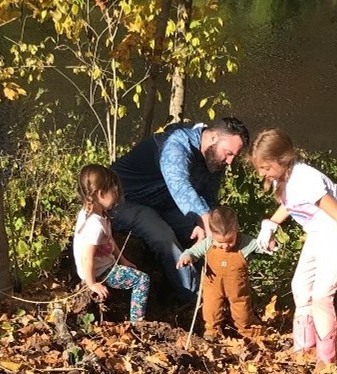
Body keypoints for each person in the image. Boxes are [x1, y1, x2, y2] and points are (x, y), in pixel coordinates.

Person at [248, 128, 337, 365]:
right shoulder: (281, 178)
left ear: (283, 160)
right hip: (319, 232)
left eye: (266, 168)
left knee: (321, 296)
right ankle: (304, 349)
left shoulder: (305, 180)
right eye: (259, 168)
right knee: (300, 287)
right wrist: (271, 224)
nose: (262, 173)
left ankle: (326, 361)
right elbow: (291, 205)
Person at [110, 117, 250, 304]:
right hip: (123, 201)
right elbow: (179, 185)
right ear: (214, 137)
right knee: (163, 237)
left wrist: (206, 223)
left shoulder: (215, 160)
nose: (230, 161)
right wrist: (203, 217)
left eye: (235, 156)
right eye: (229, 153)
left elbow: (209, 197)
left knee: (203, 234)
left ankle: (222, 293)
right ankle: (196, 298)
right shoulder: (175, 144)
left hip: (162, 204)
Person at [73, 164, 150, 323]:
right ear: (100, 194)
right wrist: (92, 283)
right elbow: (87, 257)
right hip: (101, 272)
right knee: (142, 279)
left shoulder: (94, 213)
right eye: (114, 191)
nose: (116, 195)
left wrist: (123, 260)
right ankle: (138, 321)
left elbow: (109, 240)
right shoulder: (94, 225)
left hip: (105, 265)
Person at [176, 206, 265, 339]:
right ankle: (212, 331)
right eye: (220, 242)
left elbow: (261, 245)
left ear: (236, 231)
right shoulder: (208, 243)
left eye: (230, 241)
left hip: (238, 289)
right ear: (211, 233)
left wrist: (270, 244)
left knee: (243, 312)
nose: (225, 246)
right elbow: (193, 252)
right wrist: (186, 257)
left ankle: (247, 332)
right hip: (213, 285)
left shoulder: (245, 243)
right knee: (211, 309)